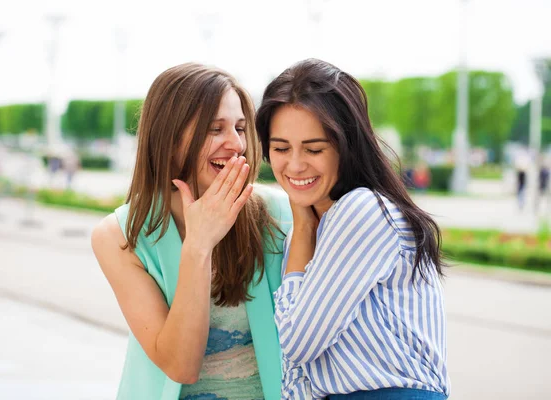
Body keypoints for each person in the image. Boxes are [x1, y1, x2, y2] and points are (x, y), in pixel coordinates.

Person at [91, 63, 291, 400]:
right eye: (215, 129)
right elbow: (180, 365)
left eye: (240, 128)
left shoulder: (278, 214)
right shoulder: (118, 236)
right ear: (168, 138)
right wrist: (199, 245)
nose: (236, 144)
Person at [256, 59, 450, 400]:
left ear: (346, 145)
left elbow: (298, 343)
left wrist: (302, 230)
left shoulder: (361, 212)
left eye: (314, 149)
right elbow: (299, 374)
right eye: (281, 148)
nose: (296, 164)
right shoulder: (313, 227)